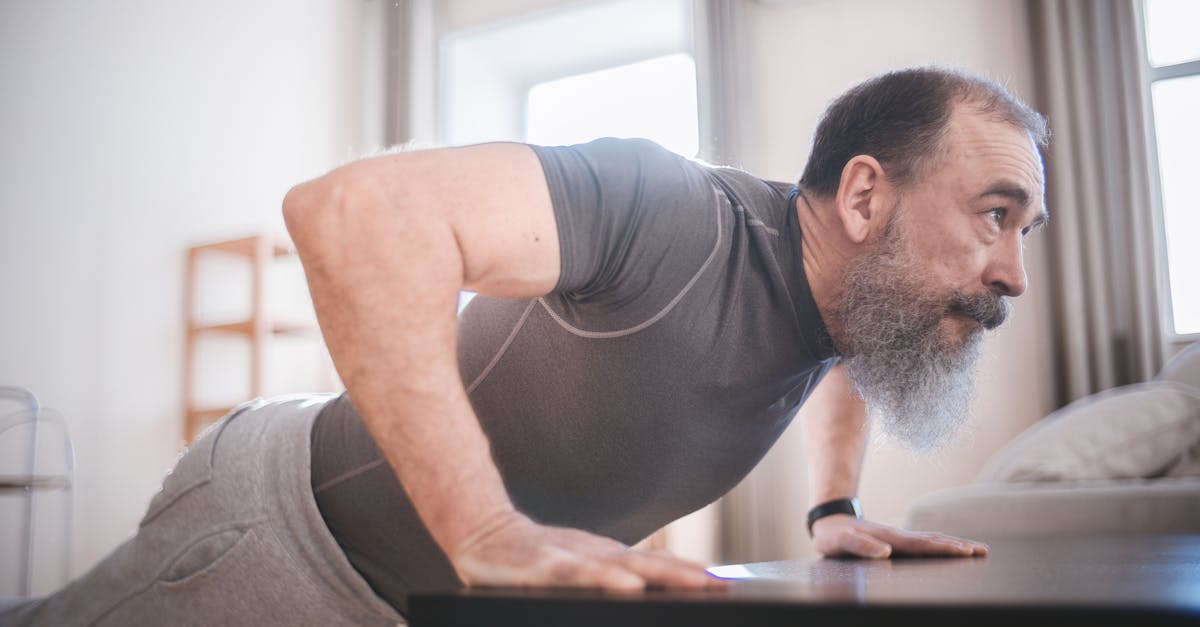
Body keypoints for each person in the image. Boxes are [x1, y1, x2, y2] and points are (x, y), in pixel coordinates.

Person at [1, 66, 1049, 626]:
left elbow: (861, 346)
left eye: (1023, 232)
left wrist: (833, 509)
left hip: (430, 602)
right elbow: (352, 210)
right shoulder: (675, 212)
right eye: (994, 215)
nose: (1012, 271)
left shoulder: (846, 293)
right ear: (865, 194)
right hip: (279, 543)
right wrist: (485, 526)